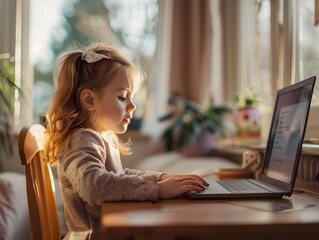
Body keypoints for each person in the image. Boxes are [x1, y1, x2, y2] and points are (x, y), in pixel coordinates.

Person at [44, 43, 209, 240]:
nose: (132, 106)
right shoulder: (82, 140)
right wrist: (156, 189)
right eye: (122, 97)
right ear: (90, 100)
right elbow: (94, 186)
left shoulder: (100, 137)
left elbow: (119, 175)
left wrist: (160, 178)